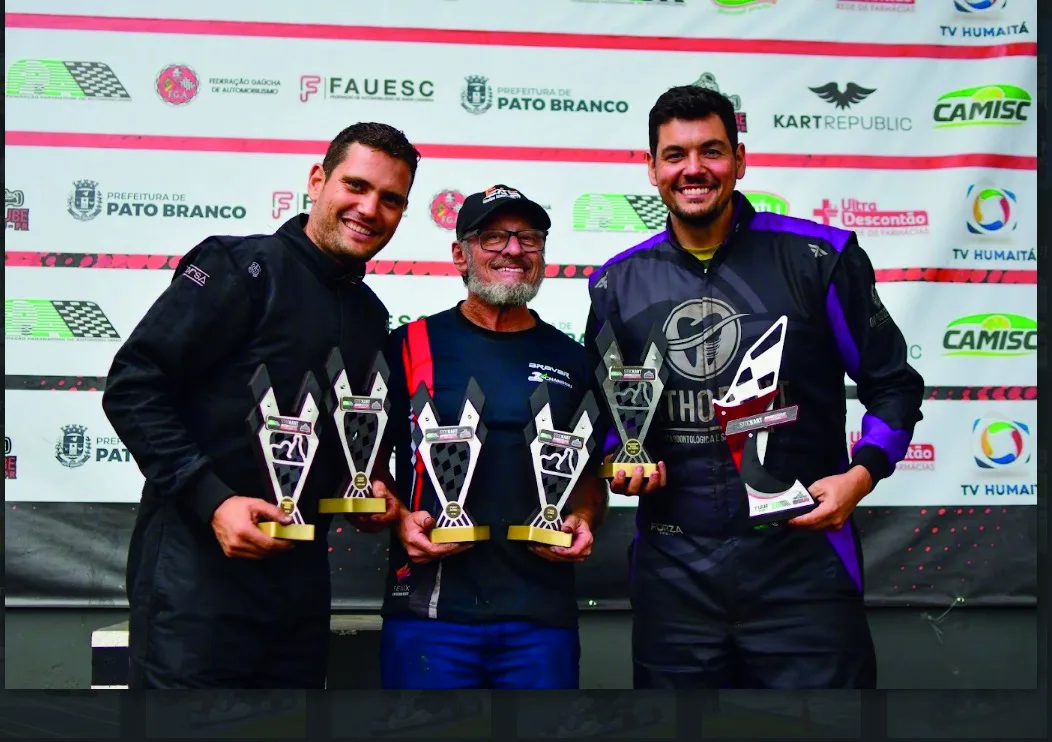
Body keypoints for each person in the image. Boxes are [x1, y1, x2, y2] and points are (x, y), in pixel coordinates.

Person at [584, 85, 924, 689]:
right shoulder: (617, 283)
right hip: (674, 576)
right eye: (676, 154)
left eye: (711, 151)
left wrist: (863, 473)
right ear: (652, 168)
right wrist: (617, 460)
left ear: (740, 161)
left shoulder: (820, 256)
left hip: (803, 570)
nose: (694, 169)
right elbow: (609, 414)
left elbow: (893, 384)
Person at [101, 122, 419, 689]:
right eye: (356, 186)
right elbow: (133, 387)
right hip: (195, 582)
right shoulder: (238, 266)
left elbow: (352, 443)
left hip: (299, 590)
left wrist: (370, 490)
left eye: (390, 199)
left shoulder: (371, 315)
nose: (370, 209)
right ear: (317, 180)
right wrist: (214, 501)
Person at [370, 184, 609, 689]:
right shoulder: (408, 346)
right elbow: (364, 464)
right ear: (460, 253)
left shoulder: (575, 361)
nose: (514, 250)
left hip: (540, 619)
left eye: (529, 238)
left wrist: (584, 517)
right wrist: (397, 520)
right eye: (493, 237)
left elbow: (590, 474)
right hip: (430, 616)